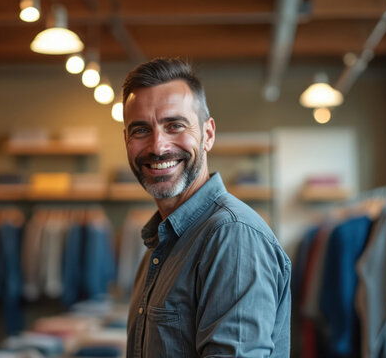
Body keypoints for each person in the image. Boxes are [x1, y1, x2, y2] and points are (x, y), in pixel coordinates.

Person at [121, 58, 291, 358]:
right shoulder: (158, 247)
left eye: (175, 125)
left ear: (208, 134)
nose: (158, 146)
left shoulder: (232, 237)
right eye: (140, 130)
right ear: (126, 141)